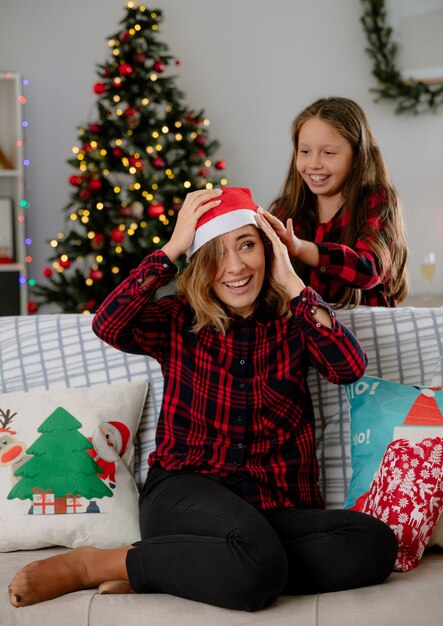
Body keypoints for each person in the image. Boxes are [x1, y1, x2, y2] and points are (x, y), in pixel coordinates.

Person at [8, 187, 397, 611]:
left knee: (372, 543)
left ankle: (188, 570)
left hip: (276, 506)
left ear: (268, 250)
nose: (235, 267)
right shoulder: (177, 318)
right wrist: (172, 247)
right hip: (185, 495)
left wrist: (292, 282)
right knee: (256, 563)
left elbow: (349, 369)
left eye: (247, 246)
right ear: (199, 264)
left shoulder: (294, 318)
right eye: (216, 254)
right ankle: (98, 564)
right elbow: (108, 325)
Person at [267, 96, 408, 307]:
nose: (313, 164)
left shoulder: (376, 200)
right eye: (305, 151)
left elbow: (369, 270)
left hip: (368, 332)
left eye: (329, 153)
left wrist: (300, 248)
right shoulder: (287, 208)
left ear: (357, 155)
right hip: (309, 333)